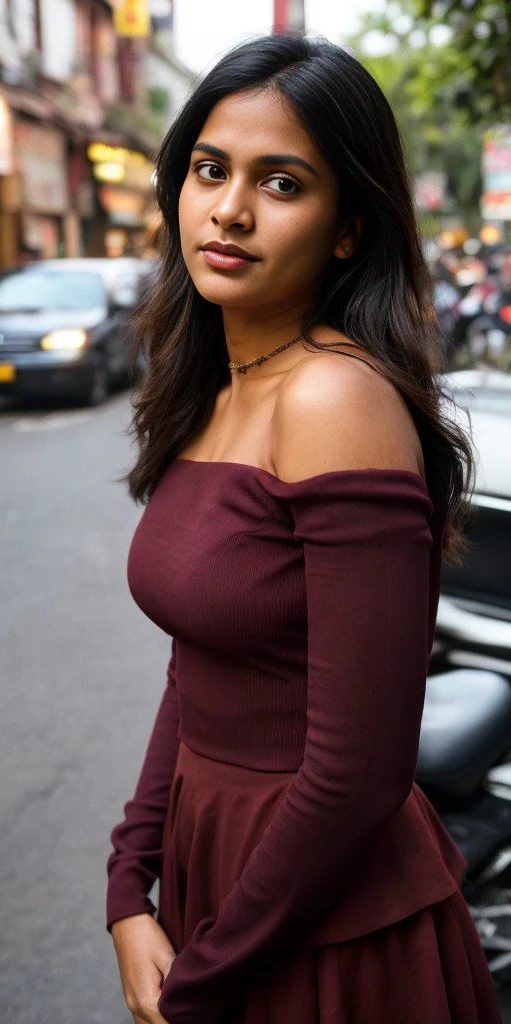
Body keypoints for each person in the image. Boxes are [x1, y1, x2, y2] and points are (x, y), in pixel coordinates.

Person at [105, 35, 501, 1024]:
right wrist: (129, 880)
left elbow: (359, 772)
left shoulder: (334, 398)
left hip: (321, 910)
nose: (229, 208)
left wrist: (205, 975)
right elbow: (197, 664)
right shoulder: (217, 391)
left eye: (281, 183)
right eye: (210, 169)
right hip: (226, 867)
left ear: (346, 229)